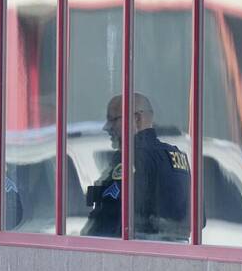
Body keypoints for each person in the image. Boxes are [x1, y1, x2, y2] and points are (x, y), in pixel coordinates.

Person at [81, 92, 190, 239]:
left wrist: (85, 239)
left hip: (137, 250)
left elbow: (109, 216)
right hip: (174, 252)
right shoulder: (176, 156)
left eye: (113, 120)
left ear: (137, 119)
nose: (107, 127)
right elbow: (196, 220)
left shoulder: (132, 156)